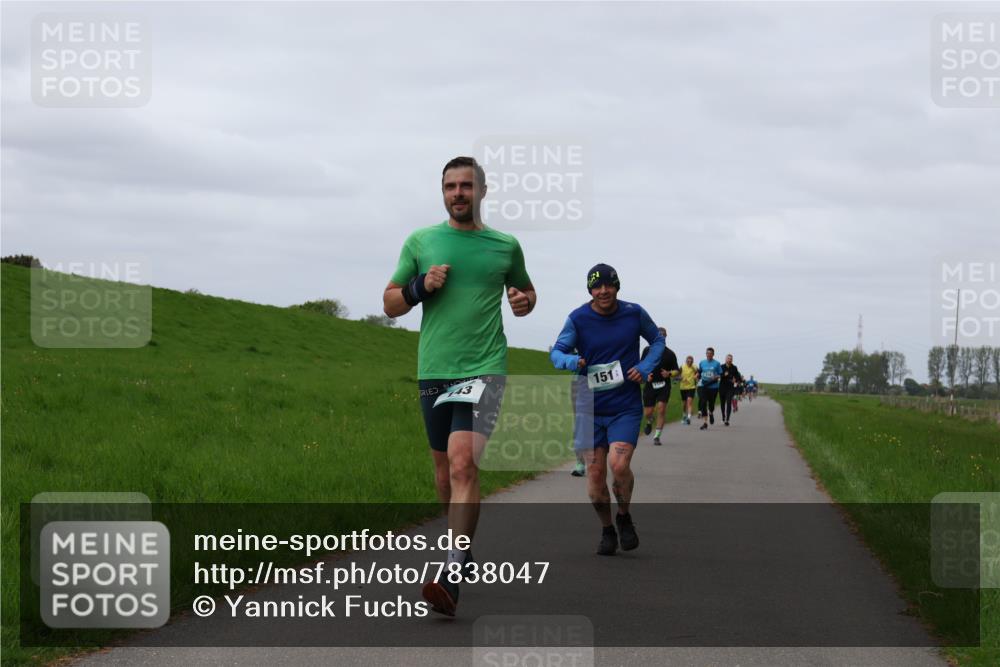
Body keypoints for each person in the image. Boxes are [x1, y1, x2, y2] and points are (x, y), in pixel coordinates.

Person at [383, 156, 536, 616]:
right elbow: (390, 303)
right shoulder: (422, 241)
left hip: (484, 368)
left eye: (466, 186)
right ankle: (462, 548)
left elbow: (526, 292)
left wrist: (523, 301)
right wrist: (419, 287)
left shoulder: (505, 246)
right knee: (444, 473)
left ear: (482, 191)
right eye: (450, 187)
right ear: (443, 192)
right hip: (435, 369)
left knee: (463, 462)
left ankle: (451, 572)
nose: (458, 194)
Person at [550, 264, 664, 556]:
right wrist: (571, 361)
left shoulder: (634, 313)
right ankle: (607, 529)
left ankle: (624, 516)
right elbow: (557, 352)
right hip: (588, 409)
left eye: (608, 285)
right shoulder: (578, 319)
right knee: (595, 475)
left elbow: (657, 341)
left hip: (624, 406)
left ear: (617, 286)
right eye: (596, 287)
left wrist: (645, 366)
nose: (603, 291)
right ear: (590, 290)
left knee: (619, 465)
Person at [640, 327, 679, 445]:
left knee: (661, 409)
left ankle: (657, 436)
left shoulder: (670, 353)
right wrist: (646, 375)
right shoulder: (647, 350)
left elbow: (677, 371)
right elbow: (641, 366)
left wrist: (669, 373)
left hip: (664, 385)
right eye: (659, 334)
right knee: (648, 412)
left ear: (665, 336)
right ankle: (650, 420)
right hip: (650, 385)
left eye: (663, 335)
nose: (661, 336)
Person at [696, 347, 723, 431]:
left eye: (710, 353)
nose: (709, 355)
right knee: (703, 402)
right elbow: (700, 372)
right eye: (707, 353)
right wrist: (697, 375)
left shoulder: (717, 363)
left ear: (713, 354)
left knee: (711, 404)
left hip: (713, 386)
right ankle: (705, 422)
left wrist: (716, 377)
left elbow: (720, 374)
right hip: (703, 385)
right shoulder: (702, 362)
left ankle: (711, 412)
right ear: (706, 354)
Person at [719, 354, 742, 426]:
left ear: (732, 360)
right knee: (722, 403)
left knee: (729, 402)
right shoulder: (721, 367)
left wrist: (736, 380)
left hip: (730, 388)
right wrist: (724, 375)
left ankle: (727, 419)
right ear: (725, 359)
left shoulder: (734, 368)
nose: (729, 360)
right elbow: (718, 375)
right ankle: (723, 416)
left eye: (731, 359)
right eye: (728, 358)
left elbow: (738, 377)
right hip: (722, 387)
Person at [678, 355, 698, 424]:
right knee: (684, 404)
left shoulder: (694, 367)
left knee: (689, 402)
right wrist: (680, 378)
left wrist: (696, 376)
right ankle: (684, 415)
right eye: (688, 361)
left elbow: (698, 373)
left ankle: (689, 418)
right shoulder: (682, 367)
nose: (690, 362)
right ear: (686, 361)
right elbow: (677, 375)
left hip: (691, 387)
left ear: (692, 361)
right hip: (683, 387)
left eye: (691, 361)